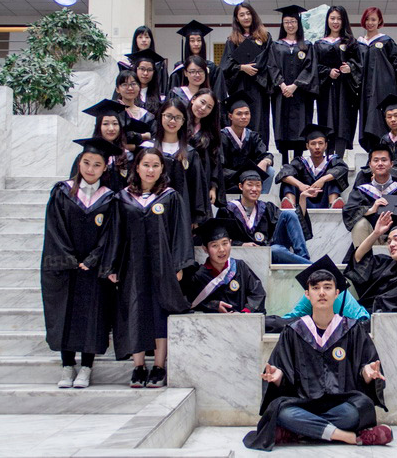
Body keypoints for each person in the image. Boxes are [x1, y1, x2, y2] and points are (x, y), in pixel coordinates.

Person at [243, 255, 391, 451]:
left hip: (342, 403)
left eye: (327, 287)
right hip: (303, 403)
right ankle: (344, 436)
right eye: (316, 288)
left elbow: (365, 366)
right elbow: (281, 372)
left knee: (361, 407)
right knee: (281, 410)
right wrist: (278, 377)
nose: (321, 293)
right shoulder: (293, 331)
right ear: (307, 294)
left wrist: (367, 373)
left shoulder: (352, 329)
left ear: (337, 293)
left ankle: (300, 431)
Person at [103, 148, 193, 388]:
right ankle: (138, 366)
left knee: (160, 313)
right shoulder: (123, 198)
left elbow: (179, 232)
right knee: (136, 312)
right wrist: (112, 265)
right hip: (132, 267)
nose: (150, 170)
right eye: (146, 165)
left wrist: (179, 264)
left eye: (155, 165)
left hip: (163, 267)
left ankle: (159, 366)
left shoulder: (170, 197)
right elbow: (115, 234)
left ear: (162, 168)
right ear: (137, 167)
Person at [41, 137, 122, 389]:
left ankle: (86, 367)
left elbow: (111, 233)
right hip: (65, 267)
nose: (90, 169)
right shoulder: (62, 192)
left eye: (97, 165)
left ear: (104, 168)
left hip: (93, 269)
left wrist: (93, 259)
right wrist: (70, 259)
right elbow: (54, 229)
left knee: (93, 316)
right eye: (86, 162)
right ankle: (67, 366)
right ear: (79, 163)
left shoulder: (110, 198)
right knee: (64, 314)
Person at [217, 162, 314, 265]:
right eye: (250, 185)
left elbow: (292, 225)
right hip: (243, 254)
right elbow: (219, 237)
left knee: (288, 215)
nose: (254, 189)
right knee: (276, 250)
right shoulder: (228, 210)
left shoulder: (267, 207)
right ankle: (309, 265)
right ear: (241, 186)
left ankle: (303, 257)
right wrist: (241, 244)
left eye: (258, 185)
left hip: (270, 249)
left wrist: (302, 199)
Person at [343, 142, 397, 249]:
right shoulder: (361, 191)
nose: (380, 163)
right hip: (370, 236)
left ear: (391, 164)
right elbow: (348, 212)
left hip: (396, 237)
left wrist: (395, 207)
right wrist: (371, 210)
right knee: (359, 224)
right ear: (370, 165)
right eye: (376, 160)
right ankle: (364, 259)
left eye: (384, 160)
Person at [144, 99, 211, 226]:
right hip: (151, 214)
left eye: (178, 117)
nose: (172, 121)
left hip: (182, 216)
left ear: (183, 121)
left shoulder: (190, 153)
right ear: (161, 117)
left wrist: (195, 218)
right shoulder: (147, 149)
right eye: (168, 116)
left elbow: (196, 186)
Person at [268, 5, 317, 163]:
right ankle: (284, 164)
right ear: (282, 24)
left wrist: (295, 85)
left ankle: (298, 163)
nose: (290, 25)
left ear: (298, 23)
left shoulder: (307, 45)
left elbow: (309, 68)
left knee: (300, 130)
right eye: (287, 22)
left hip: (300, 95)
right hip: (281, 94)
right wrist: (282, 85)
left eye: (293, 21)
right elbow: (272, 66)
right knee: (282, 129)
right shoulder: (276, 45)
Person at [185, 218, 266, 314]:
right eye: (215, 245)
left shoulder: (240, 267)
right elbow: (190, 302)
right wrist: (213, 305)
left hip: (243, 319)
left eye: (225, 243)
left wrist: (246, 313)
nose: (222, 249)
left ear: (230, 243)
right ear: (205, 249)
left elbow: (258, 293)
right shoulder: (199, 276)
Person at [219, 2, 273, 146]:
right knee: (241, 119)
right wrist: (241, 67)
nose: (246, 17)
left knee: (259, 122)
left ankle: (260, 153)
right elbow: (225, 66)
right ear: (237, 19)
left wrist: (254, 68)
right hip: (240, 87)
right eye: (242, 15)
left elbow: (269, 60)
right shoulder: (232, 40)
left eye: (248, 13)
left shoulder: (265, 37)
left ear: (253, 15)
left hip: (258, 87)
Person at [356, 6, 397, 152]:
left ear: (379, 21)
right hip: (365, 93)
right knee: (367, 123)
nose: (370, 23)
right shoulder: (358, 44)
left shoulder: (386, 41)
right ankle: (372, 156)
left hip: (383, 90)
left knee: (382, 121)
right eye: (367, 19)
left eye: (373, 19)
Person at [314, 5, 361, 159]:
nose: (335, 22)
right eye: (332, 18)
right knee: (327, 122)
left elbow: (359, 64)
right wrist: (328, 72)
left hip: (345, 90)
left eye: (339, 19)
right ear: (327, 20)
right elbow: (314, 67)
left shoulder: (351, 43)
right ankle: (327, 160)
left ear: (344, 21)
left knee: (343, 123)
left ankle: (339, 160)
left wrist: (350, 68)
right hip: (326, 90)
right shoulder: (319, 44)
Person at [276, 124, 349, 209]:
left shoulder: (332, 160)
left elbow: (342, 168)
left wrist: (323, 179)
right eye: (313, 144)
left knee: (334, 177)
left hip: (325, 199)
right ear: (307, 146)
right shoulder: (300, 162)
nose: (317, 147)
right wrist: (300, 185)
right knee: (289, 179)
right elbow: (283, 173)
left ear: (326, 145)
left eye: (320, 143)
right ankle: (290, 205)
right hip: (303, 200)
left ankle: (333, 204)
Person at [221, 93, 274, 195]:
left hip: (250, 180)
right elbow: (220, 167)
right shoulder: (222, 137)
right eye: (239, 114)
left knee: (269, 170)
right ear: (230, 116)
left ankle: (261, 199)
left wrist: (265, 161)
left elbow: (265, 154)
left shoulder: (252, 136)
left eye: (247, 113)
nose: (244, 117)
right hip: (229, 182)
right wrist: (242, 175)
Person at [80, 99, 134, 192]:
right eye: (105, 124)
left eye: (115, 124)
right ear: (98, 127)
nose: (111, 128)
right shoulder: (86, 156)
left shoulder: (128, 157)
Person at [169, 20, 227, 101]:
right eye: (192, 41)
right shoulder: (179, 68)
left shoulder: (212, 68)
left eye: (199, 40)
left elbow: (219, 94)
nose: (196, 44)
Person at [187, 88, 225, 208]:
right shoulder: (179, 123)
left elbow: (215, 160)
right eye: (202, 102)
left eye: (209, 107)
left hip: (202, 181)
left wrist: (213, 187)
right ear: (193, 99)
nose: (203, 108)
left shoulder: (210, 131)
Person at [119, 26, 168, 94]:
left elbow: (163, 86)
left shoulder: (159, 63)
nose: (144, 40)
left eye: (147, 37)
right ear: (135, 40)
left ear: (151, 40)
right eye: (140, 37)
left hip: (154, 97)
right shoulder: (126, 64)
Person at [114, 70, 155, 147]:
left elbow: (154, 138)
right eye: (124, 84)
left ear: (139, 87)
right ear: (117, 89)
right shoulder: (112, 111)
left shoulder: (147, 116)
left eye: (133, 84)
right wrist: (142, 136)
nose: (130, 88)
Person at [123, 48, 166, 115]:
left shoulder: (159, 97)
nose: (145, 73)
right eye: (142, 69)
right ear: (136, 69)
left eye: (149, 70)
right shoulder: (126, 92)